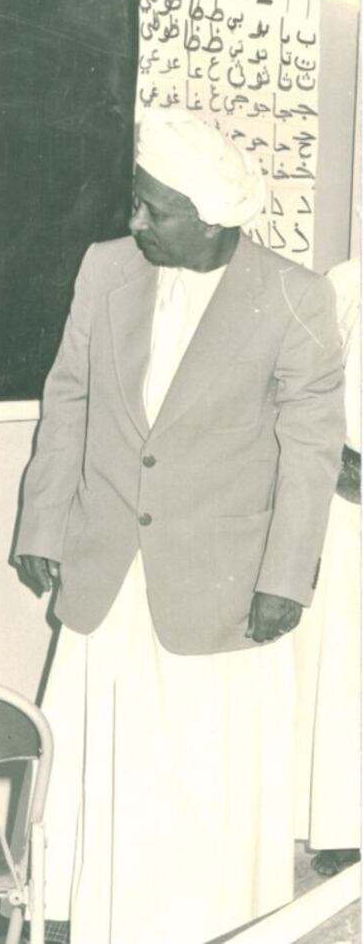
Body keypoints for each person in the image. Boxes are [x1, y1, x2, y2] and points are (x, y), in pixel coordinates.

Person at [14, 109, 345, 944]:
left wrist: (284, 578)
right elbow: (68, 397)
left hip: (221, 587)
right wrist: (43, 523)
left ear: (207, 217)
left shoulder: (295, 296)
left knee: (199, 786)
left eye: (153, 209)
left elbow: (311, 454)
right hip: (108, 575)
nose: (135, 221)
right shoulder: (105, 269)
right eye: (137, 201)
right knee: (98, 776)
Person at [294, 256, 361, 876]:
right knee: (345, 661)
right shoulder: (346, 284)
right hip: (349, 504)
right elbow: (304, 385)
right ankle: (345, 822)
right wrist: (334, 456)